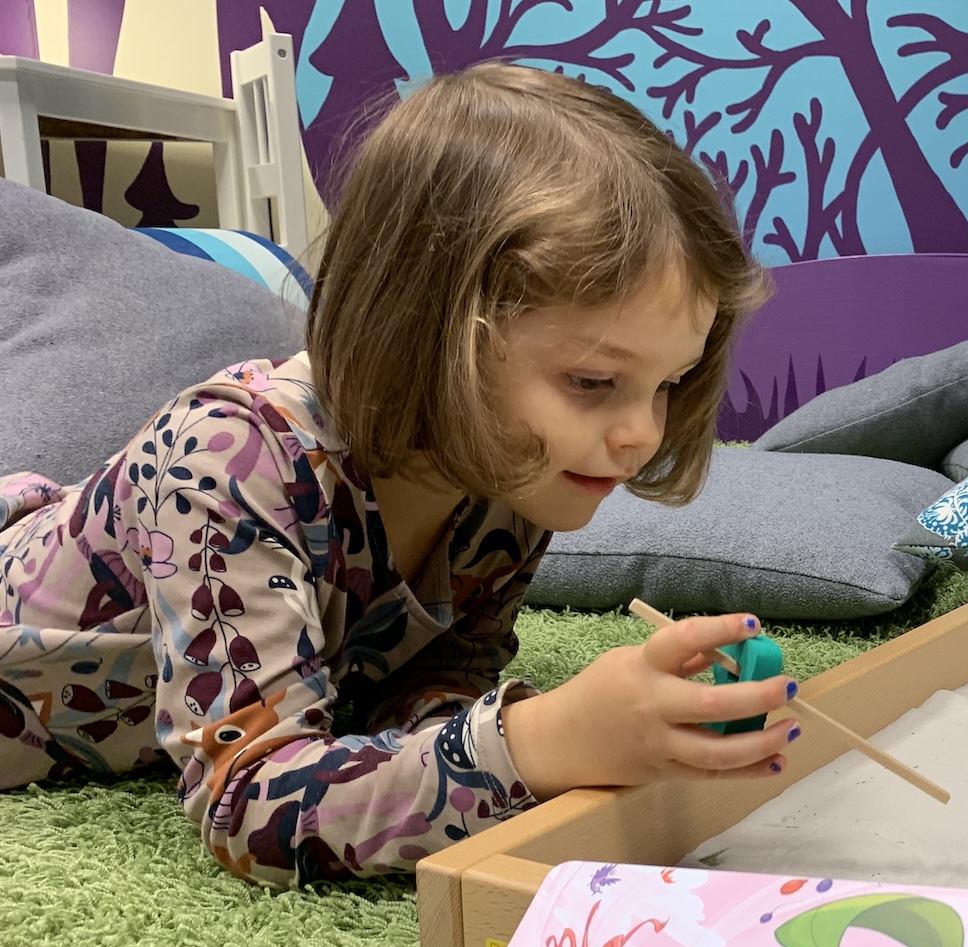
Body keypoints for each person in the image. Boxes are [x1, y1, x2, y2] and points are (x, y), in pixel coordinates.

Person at [0, 63, 797, 886]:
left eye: (668, 383)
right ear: (427, 332)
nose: (642, 433)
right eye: (593, 381)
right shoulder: (226, 463)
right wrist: (538, 742)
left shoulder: (512, 483)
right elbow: (250, 806)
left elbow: (434, 679)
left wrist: (566, 734)